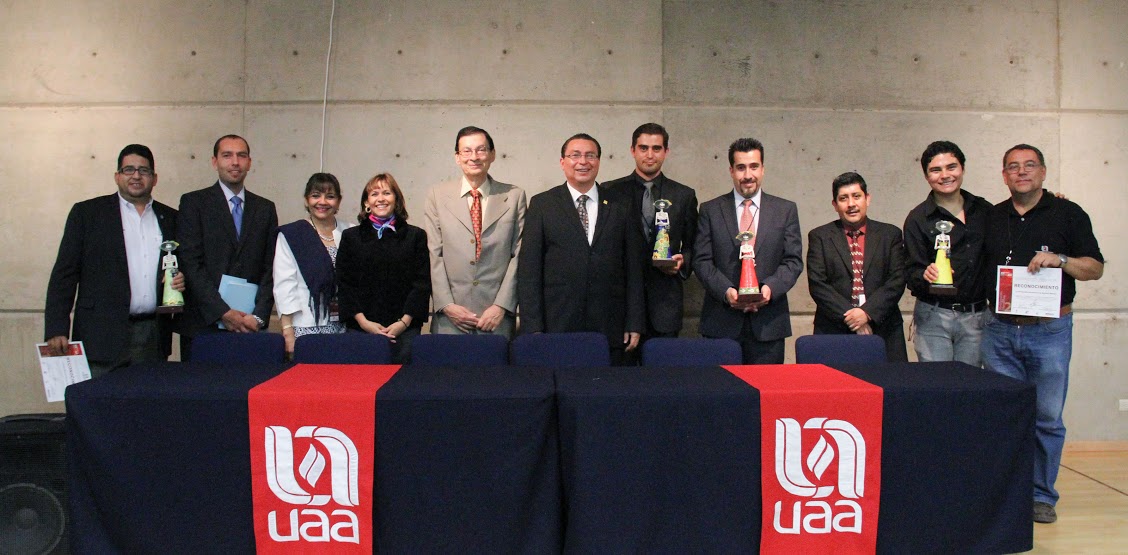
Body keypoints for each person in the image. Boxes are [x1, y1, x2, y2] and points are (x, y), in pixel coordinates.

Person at [982, 144, 1104, 524]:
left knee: (1047, 418)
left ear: (1044, 171)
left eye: (1029, 165)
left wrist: (1062, 260)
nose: (1021, 172)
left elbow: (1095, 268)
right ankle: (1006, 494)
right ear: (1003, 175)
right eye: (1013, 167)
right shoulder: (991, 216)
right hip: (999, 331)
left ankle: (1040, 496)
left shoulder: (1068, 213)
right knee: (1004, 416)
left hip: (1049, 331)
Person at [44, 144, 186, 377]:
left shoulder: (171, 218)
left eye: (144, 170)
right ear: (117, 176)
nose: (136, 176)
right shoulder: (87, 214)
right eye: (129, 169)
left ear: (155, 178)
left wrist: (181, 280)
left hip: (152, 335)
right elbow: (65, 274)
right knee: (100, 407)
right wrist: (57, 328)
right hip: (100, 336)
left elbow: (181, 266)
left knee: (146, 407)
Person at [517, 133, 644, 365]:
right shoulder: (543, 204)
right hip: (556, 323)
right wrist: (532, 326)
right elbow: (529, 271)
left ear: (598, 161)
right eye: (575, 155)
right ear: (562, 162)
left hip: (610, 324)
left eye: (590, 156)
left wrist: (634, 321)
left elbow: (634, 269)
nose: (583, 162)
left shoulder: (620, 205)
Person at [692, 138, 803, 364]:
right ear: (731, 170)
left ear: (763, 169)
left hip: (769, 325)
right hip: (721, 323)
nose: (748, 175)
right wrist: (727, 292)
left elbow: (793, 261)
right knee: (722, 395)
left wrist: (769, 290)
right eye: (741, 168)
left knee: (767, 395)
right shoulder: (710, 210)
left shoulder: (785, 210)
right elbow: (702, 261)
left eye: (754, 166)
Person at [177, 135, 278, 360]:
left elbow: (271, 267)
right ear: (215, 162)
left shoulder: (265, 209)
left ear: (249, 163)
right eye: (227, 155)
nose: (235, 162)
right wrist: (223, 312)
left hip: (249, 325)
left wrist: (260, 317)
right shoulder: (194, 203)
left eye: (241, 156)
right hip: (205, 323)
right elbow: (191, 264)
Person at [604, 123, 698, 354]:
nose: (649, 155)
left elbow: (696, 245)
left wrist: (682, 260)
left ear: (666, 152)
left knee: (662, 378)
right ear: (632, 150)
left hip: (664, 303)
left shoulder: (683, 195)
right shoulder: (609, 192)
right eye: (643, 148)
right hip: (620, 304)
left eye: (656, 148)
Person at [424, 126, 526, 337]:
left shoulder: (514, 196)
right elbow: (434, 254)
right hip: (450, 318)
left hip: (496, 318)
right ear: (457, 157)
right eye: (467, 151)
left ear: (492, 154)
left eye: (481, 150)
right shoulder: (438, 195)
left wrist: (502, 306)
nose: (474, 157)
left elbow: (519, 255)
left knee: (495, 370)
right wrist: (447, 305)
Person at [903, 141, 993, 365]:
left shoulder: (986, 211)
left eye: (951, 167)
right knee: (938, 388)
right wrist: (925, 275)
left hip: (977, 315)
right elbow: (911, 272)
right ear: (926, 176)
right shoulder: (917, 218)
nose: (945, 175)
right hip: (934, 316)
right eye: (936, 170)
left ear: (962, 168)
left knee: (972, 389)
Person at [807, 172, 908, 361]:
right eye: (843, 198)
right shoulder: (820, 236)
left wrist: (867, 313)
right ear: (835, 205)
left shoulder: (890, 234)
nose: (851, 204)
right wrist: (853, 318)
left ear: (867, 199)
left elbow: (897, 280)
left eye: (856, 196)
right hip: (834, 329)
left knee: (891, 386)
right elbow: (818, 285)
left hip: (884, 328)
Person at [336, 173, 431, 364]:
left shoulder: (415, 236)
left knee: (401, 386)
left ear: (396, 200)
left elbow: (421, 283)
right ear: (366, 202)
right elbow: (345, 283)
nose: (381, 199)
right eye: (374, 194)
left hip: (404, 329)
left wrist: (403, 323)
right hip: (360, 328)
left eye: (387, 193)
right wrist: (364, 323)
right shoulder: (351, 237)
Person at [274, 173, 353, 357]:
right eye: (316, 195)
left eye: (330, 196)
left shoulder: (350, 231)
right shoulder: (293, 234)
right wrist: (287, 331)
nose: (322, 202)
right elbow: (284, 284)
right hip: (305, 326)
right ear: (306, 199)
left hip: (344, 326)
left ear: (339, 202)